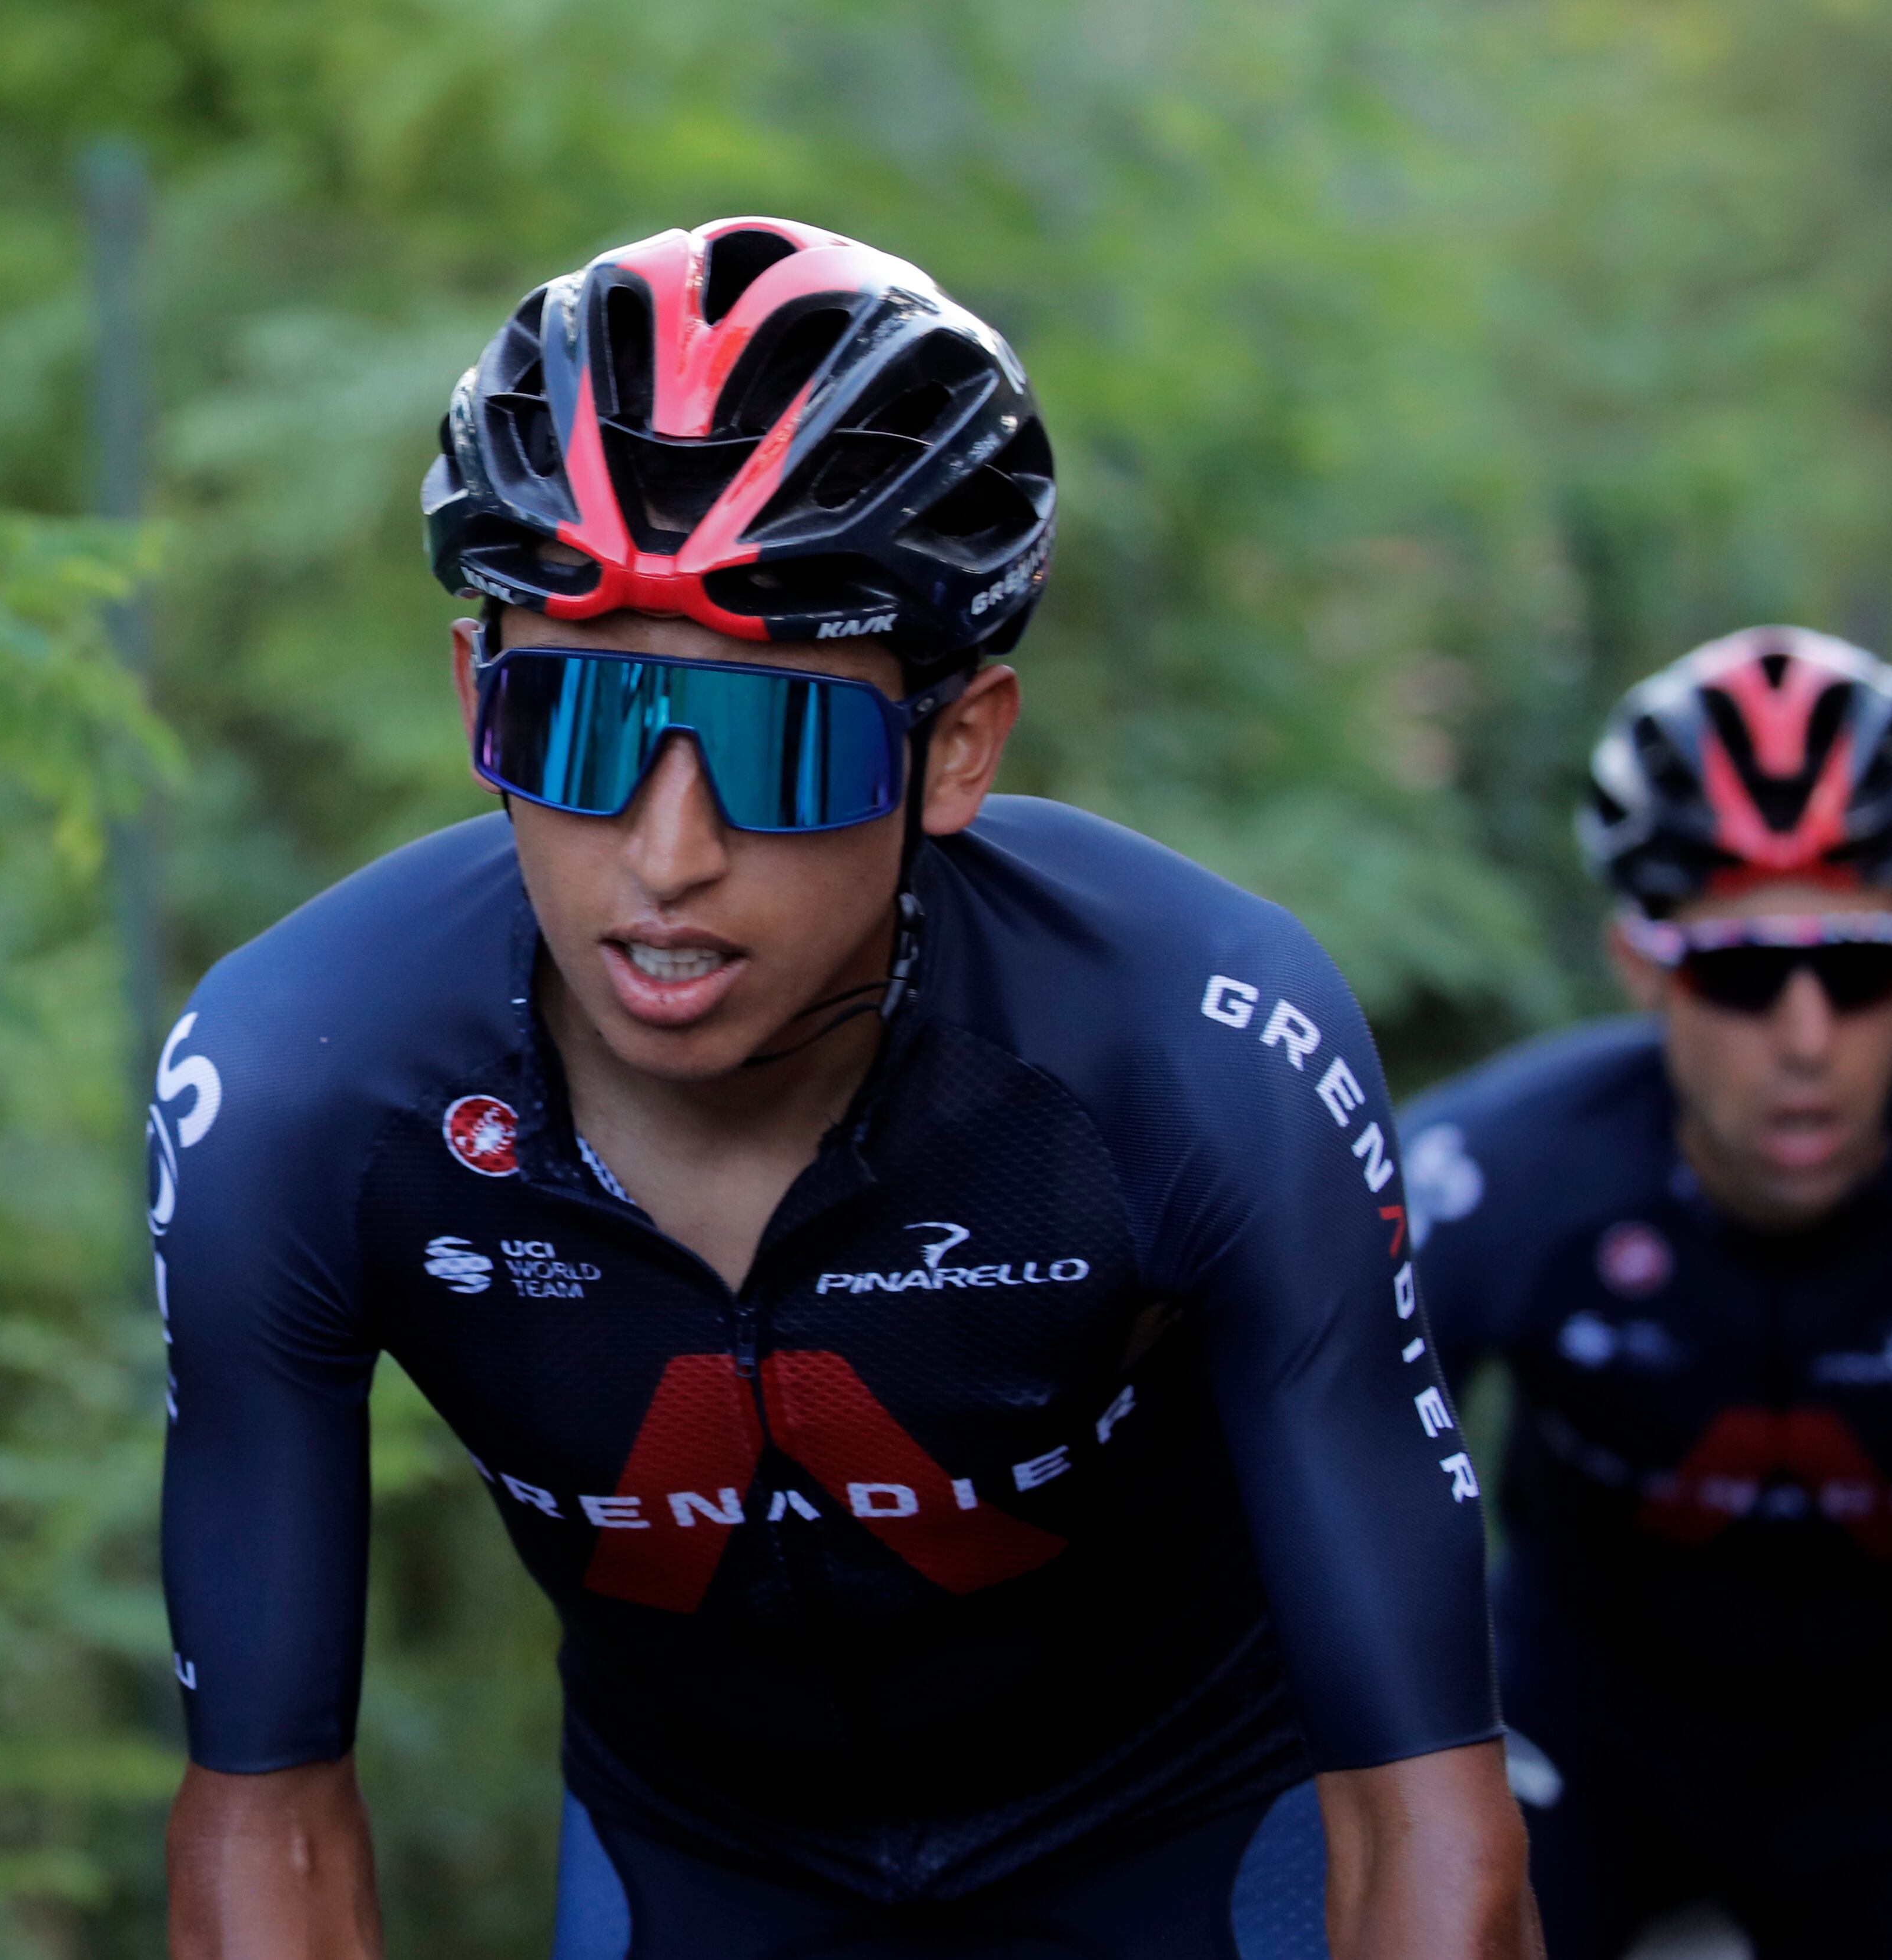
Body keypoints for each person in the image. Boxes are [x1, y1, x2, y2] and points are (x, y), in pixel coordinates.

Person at [153, 216, 1536, 1960]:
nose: (665, 854)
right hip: (702, 1861)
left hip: (1176, 1829)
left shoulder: (1194, 1054)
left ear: (958, 749)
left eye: (779, 743)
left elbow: (1429, 1824)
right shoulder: (301, 1089)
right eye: (574, 728)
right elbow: (264, 1821)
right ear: (471, 705)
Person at [1403, 626, 1892, 1960]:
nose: (1803, 1038)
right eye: (1740, 971)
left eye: (1856, 966)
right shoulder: (1498, 1168)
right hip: (1586, 1722)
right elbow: (1317, 1508)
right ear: (1641, 961)